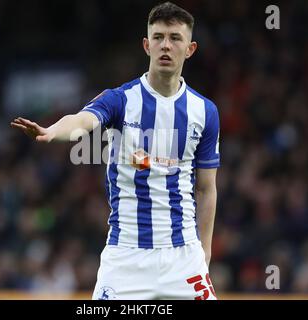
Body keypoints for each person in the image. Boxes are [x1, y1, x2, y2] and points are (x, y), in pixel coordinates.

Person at [11, 2, 220, 300]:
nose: (166, 45)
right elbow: (82, 120)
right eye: (158, 37)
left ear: (190, 48)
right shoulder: (120, 100)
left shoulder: (205, 112)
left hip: (184, 256)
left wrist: (205, 251)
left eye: (175, 38)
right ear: (146, 45)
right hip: (126, 258)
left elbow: (206, 189)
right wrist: (53, 130)